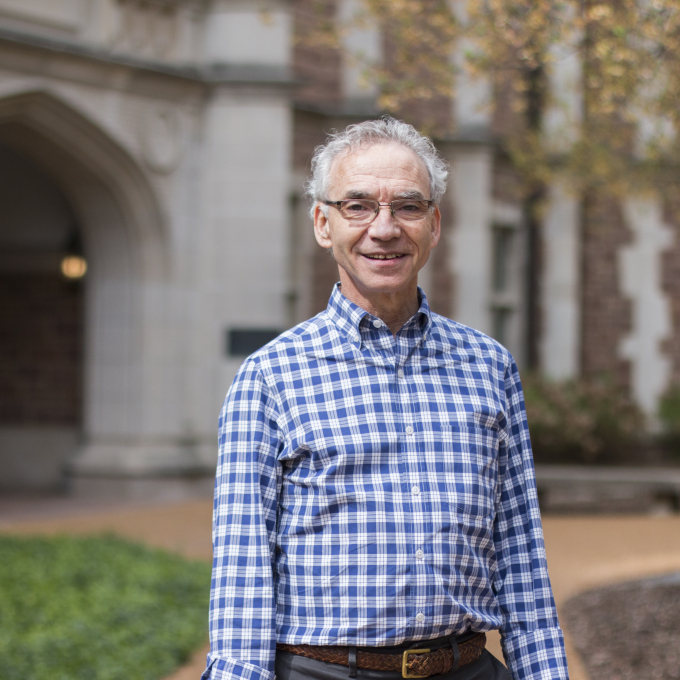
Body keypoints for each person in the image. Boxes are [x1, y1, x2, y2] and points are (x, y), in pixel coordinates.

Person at [202, 117, 569, 680]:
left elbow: (520, 555)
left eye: (407, 206)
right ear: (323, 224)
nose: (384, 228)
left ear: (434, 224)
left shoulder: (490, 367)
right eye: (358, 206)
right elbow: (242, 573)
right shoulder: (270, 376)